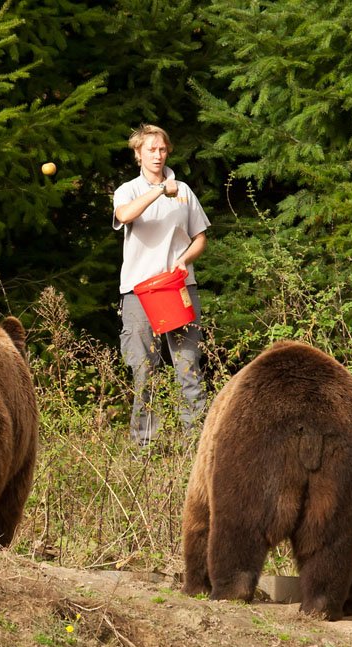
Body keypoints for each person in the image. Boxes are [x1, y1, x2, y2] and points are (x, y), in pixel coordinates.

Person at [112, 124, 211, 448]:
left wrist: (185, 259)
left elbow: (200, 238)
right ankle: (145, 449)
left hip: (178, 288)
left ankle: (196, 449)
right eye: (151, 149)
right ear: (138, 154)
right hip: (139, 293)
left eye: (162, 149)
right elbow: (125, 215)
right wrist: (158, 191)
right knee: (144, 373)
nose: (158, 155)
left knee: (188, 370)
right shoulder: (127, 190)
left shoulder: (183, 190)